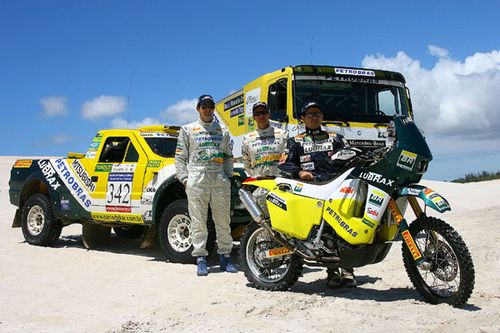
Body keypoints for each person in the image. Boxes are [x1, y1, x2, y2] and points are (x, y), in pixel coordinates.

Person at [278, 100, 356, 288]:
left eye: (318, 113)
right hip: (311, 190)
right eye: (310, 114)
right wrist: (299, 172)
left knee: (344, 226)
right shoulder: (294, 141)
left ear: (322, 117)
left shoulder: (336, 138)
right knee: (323, 232)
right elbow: (283, 163)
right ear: (303, 118)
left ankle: (347, 270)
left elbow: (351, 157)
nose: (314, 117)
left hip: (337, 187)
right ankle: (332, 273)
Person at [175, 94, 237, 276]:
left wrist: (228, 176)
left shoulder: (222, 130)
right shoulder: (187, 129)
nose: (208, 109)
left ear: (213, 108)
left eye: (210, 106)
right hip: (197, 178)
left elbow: (228, 156)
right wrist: (185, 179)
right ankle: (201, 257)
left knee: (223, 220)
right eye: (204, 106)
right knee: (198, 220)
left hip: (218, 177)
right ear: (198, 108)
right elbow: (180, 157)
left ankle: (225, 256)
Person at [241, 102, 288, 215]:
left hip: (279, 185)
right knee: (263, 225)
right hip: (260, 186)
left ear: (269, 114)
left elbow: (287, 159)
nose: (261, 116)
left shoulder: (283, 134)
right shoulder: (247, 138)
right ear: (254, 117)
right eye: (257, 114)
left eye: (264, 112)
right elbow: (246, 163)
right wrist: (257, 176)